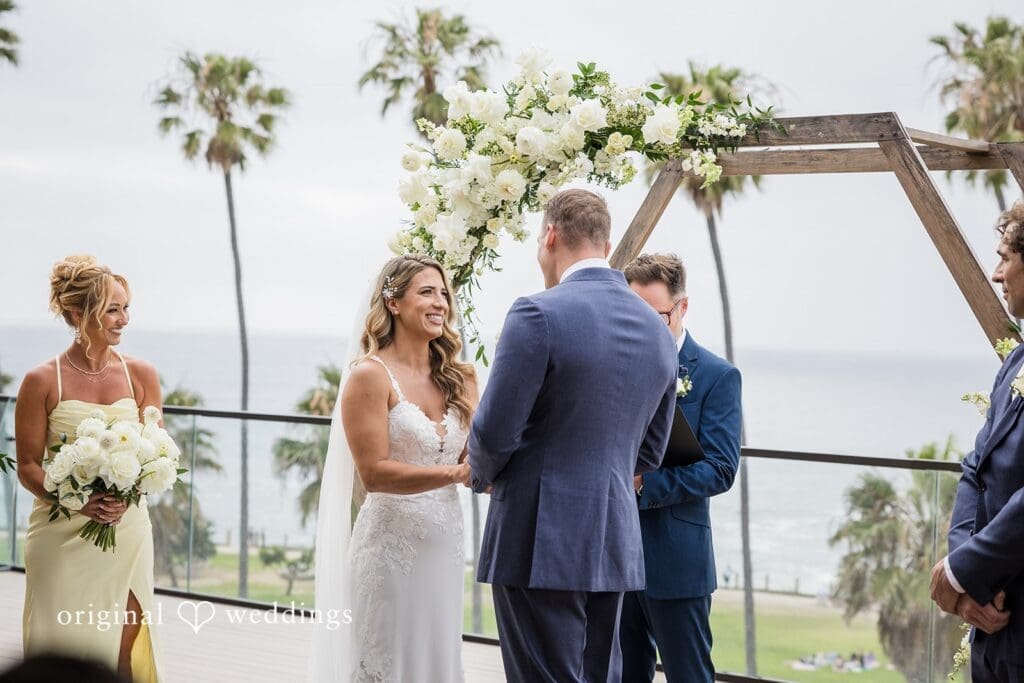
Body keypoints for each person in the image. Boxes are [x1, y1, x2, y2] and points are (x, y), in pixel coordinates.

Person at [468, 189, 679, 682]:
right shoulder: (657, 331)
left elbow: (495, 432)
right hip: (613, 539)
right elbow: (652, 450)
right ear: (606, 243)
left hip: (536, 538)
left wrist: (482, 474)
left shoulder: (536, 313)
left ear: (550, 236)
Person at [310, 254, 476, 682]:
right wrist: (454, 475)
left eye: (443, 294)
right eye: (427, 292)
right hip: (390, 549)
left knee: (438, 661)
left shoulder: (461, 379)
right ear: (393, 302)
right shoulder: (370, 376)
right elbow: (374, 473)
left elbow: (474, 456)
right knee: (388, 660)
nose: (440, 303)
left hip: (445, 545)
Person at [14, 255, 162, 681]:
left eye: (126, 308)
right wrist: (77, 501)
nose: (124, 320)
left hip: (127, 530)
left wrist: (128, 492)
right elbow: (28, 465)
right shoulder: (41, 381)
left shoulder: (141, 374)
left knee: (125, 644)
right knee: (61, 648)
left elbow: (156, 452)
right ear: (78, 315)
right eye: (113, 310)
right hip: (60, 534)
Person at [619, 253, 741, 682]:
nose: (645, 327)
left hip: (676, 563)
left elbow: (721, 468)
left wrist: (643, 483)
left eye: (657, 317)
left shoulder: (717, 376)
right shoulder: (614, 366)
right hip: (614, 556)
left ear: (681, 307)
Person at [930, 200, 1024, 682]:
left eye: (1005, 259)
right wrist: (966, 579)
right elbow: (976, 469)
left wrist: (962, 571)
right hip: (994, 621)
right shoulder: (1015, 363)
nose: (995, 273)